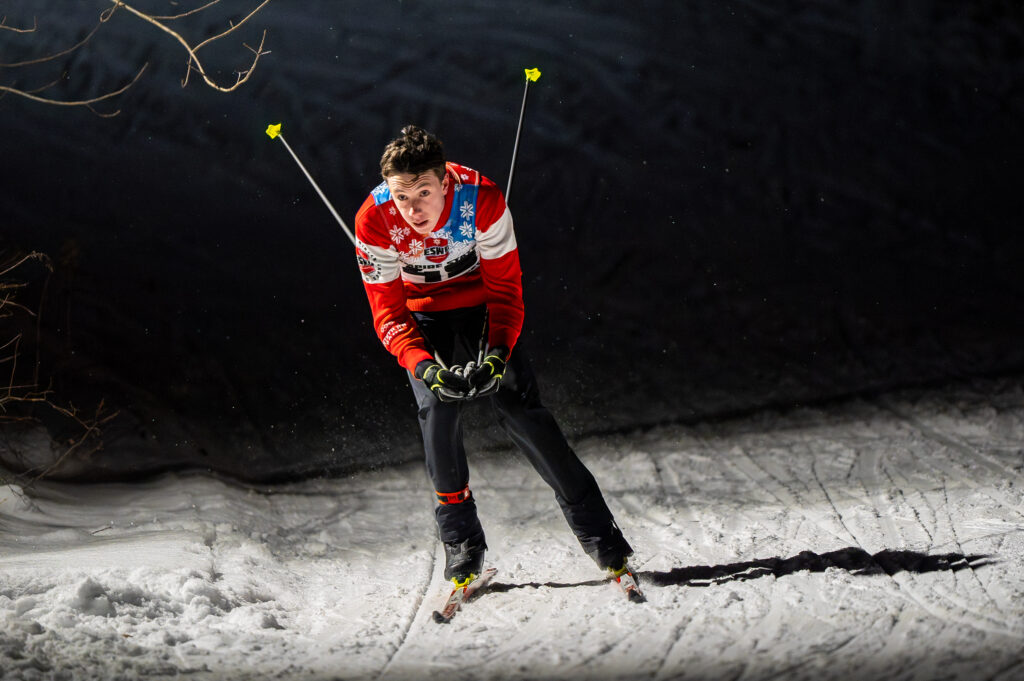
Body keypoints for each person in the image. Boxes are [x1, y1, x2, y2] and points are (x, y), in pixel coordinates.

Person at [353, 125, 635, 589]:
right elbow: (388, 313)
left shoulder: (481, 199)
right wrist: (423, 366)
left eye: (424, 192)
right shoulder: (373, 219)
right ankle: (462, 542)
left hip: (482, 303)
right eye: (403, 196)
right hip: (422, 317)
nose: (414, 209)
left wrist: (498, 354)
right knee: (437, 408)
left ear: (445, 182)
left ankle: (600, 534)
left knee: (519, 408)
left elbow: (507, 292)